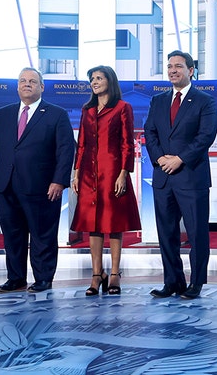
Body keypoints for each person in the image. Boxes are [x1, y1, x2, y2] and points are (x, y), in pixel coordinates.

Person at [0, 67, 75, 293]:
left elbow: (65, 150)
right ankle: (16, 278)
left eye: (32, 81)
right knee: (12, 235)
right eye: (22, 81)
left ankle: (43, 278)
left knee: (43, 235)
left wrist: (59, 181)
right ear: (18, 86)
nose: (27, 84)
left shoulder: (56, 114)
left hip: (42, 187)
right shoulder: (3, 113)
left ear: (41, 87)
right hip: (5, 185)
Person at [145, 51, 217, 300]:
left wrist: (180, 159)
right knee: (166, 233)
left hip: (191, 176)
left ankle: (196, 283)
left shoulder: (204, 100)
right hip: (163, 176)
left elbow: (206, 136)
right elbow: (150, 133)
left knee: (197, 232)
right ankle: (173, 281)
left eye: (178, 66)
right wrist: (160, 158)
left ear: (191, 70)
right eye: (169, 66)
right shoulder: (158, 100)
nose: (173, 70)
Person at [71, 65, 142, 296]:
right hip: (89, 174)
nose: (94, 82)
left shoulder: (123, 108)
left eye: (99, 78)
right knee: (92, 224)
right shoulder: (87, 110)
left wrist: (124, 173)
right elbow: (81, 144)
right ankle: (96, 274)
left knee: (114, 223)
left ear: (109, 81)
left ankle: (114, 274)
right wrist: (76, 172)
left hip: (113, 173)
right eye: (92, 78)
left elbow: (126, 143)